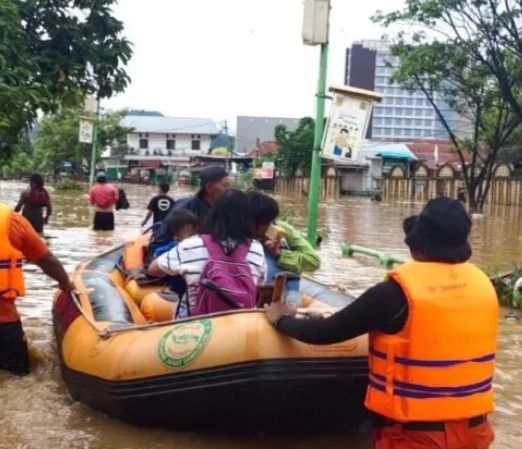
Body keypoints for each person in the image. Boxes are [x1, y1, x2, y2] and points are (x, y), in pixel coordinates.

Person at [265, 197, 498, 449]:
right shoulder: (483, 286)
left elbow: (326, 332)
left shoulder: (394, 294)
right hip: (477, 433)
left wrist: (281, 319)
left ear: (417, 248)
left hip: (417, 438)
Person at [148, 189, 266, 317]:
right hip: (239, 326)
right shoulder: (257, 249)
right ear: (248, 218)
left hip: (195, 325)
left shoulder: (191, 244)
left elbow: (153, 269)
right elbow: (260, 283)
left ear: (213, 214)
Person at [0, 202, 74, 375]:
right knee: (15, 378)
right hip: (3, 322)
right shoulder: (10, 221)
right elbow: (45, 259)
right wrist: (65, 283)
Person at [148, 165, 230, 255]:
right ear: (209, 187)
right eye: (225, 186)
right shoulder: (185, 208)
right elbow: (161, 240)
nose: (228, 190)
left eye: (229, 186)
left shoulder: (226, 209)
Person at [247, 190, 320, 277]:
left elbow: (313, 261)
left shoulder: (283, 229)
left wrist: (279, 253)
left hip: (284, 286)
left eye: (271, 221)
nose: (270, 226)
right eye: (266, 223)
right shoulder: (237, 235)